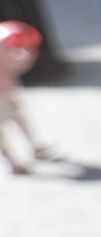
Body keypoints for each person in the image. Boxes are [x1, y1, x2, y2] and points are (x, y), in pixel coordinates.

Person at [0, 21, 54, 175]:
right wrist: (29, 54)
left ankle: (35, 147)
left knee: (21, 120)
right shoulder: (3, 48)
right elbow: (20, 63)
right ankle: (12, 162)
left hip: (7, 95)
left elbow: (19, 64)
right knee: (3, 133)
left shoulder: (4, 44)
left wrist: (27, 51)